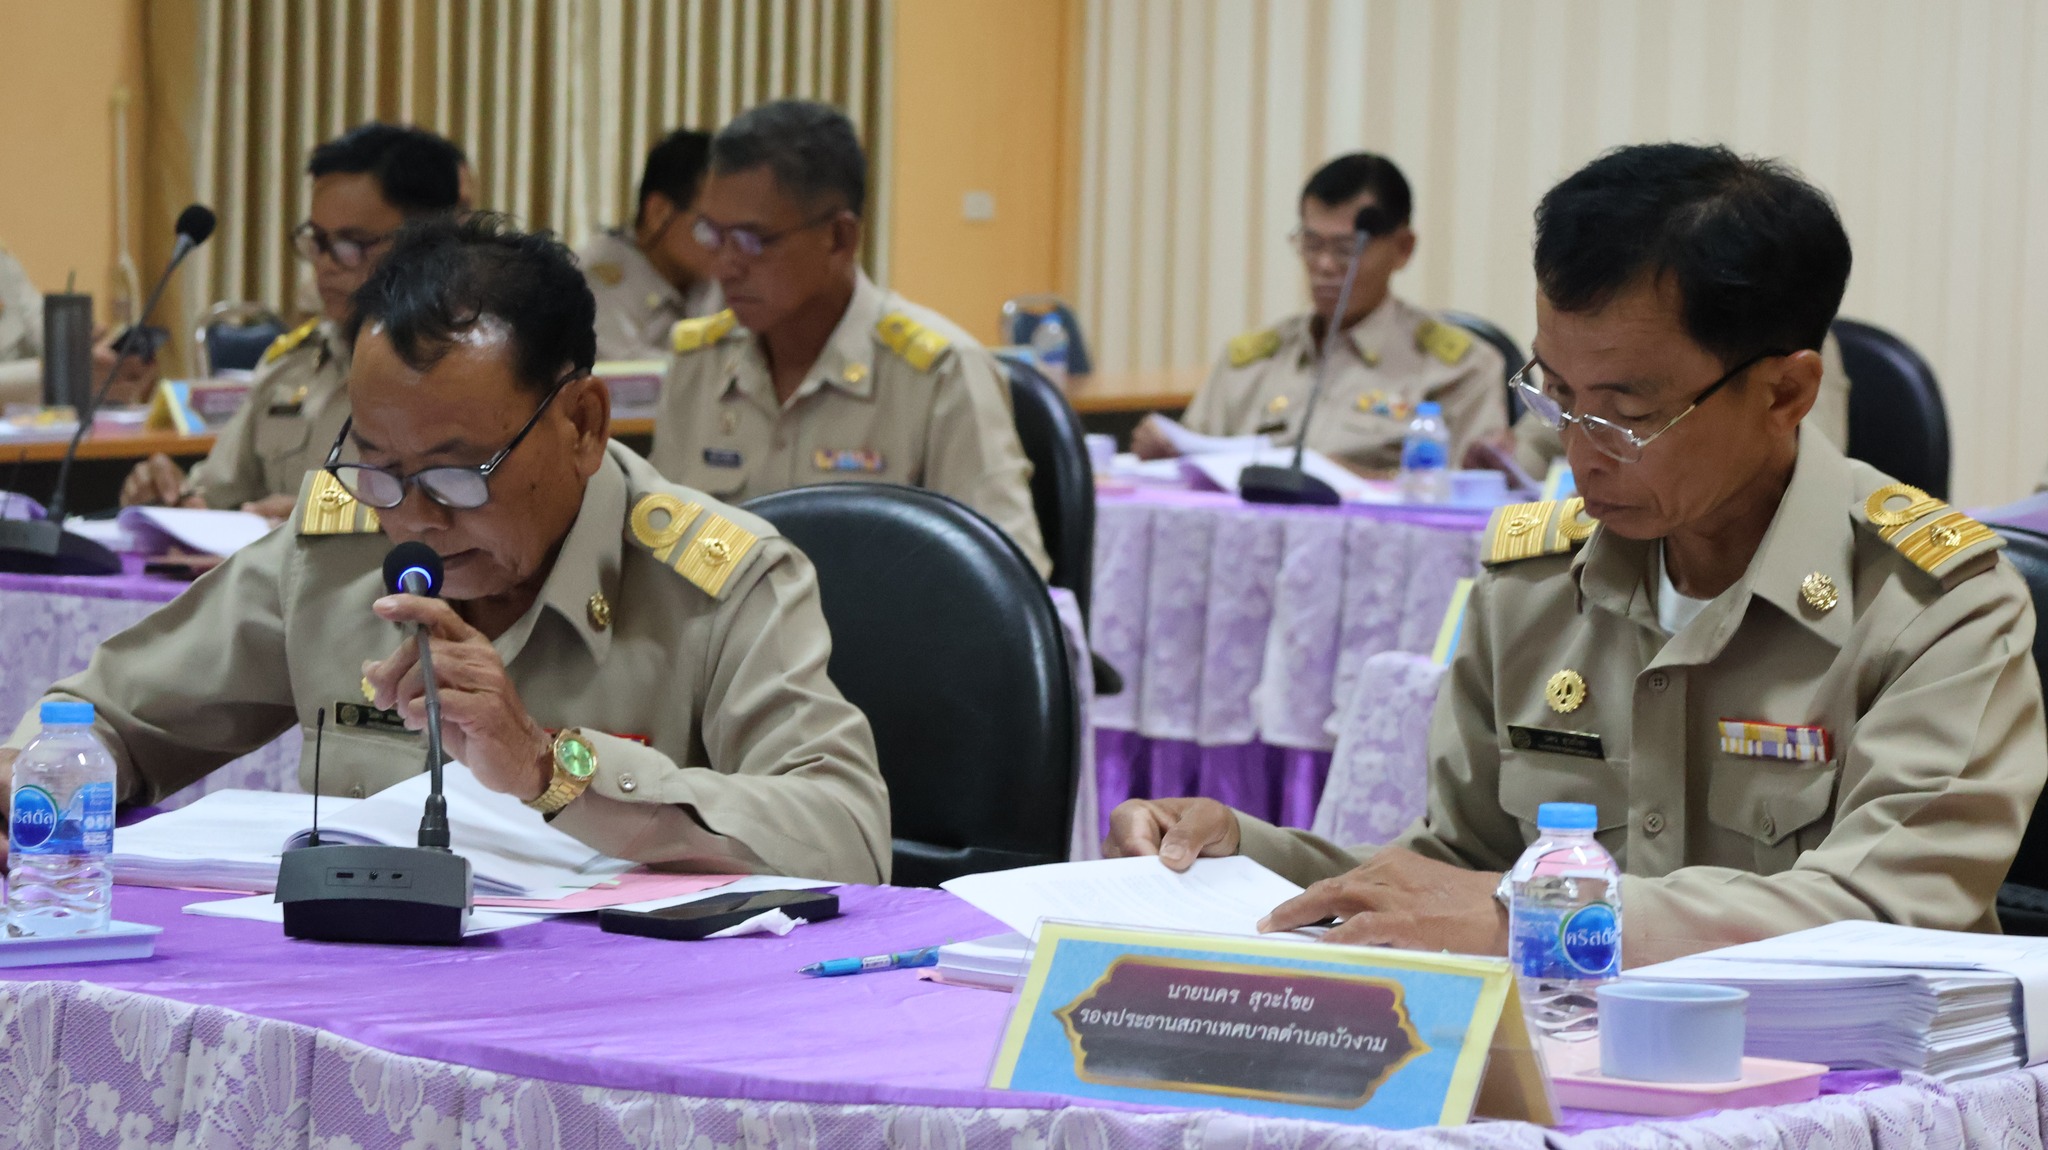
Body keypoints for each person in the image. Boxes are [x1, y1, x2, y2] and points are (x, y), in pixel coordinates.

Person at [1106, 143, 2046, 967]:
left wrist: (1538, 917)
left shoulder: (1935, 607)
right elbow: (1462, 869)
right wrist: (1247, 856)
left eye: (1628, 414)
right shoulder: (1535, 589)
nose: (1579, 452)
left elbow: (1880, 912)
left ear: (1785, 394)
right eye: (1556, 396)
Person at [4, 215, 890, 884]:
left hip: (609, 1015)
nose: (416, 517)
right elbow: (104, 717)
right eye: (379, 468)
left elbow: (849, 835)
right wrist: (30, 782)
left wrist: (552, 767)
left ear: (583, 425)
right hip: (353, 999)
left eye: (459, 475)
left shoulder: (720, 579)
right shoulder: (337, 550)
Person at [650, 100, 1050, 578]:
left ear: (839, 238)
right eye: (712, 234)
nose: (725, 265)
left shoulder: (940, 375)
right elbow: (660, 559)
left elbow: (1005, 579)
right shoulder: (699, 362)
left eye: (753, 240)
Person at [121, 123, 465, 520]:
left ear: (427, 243)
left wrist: (321, 517)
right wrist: (168, 495)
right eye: (316, 240)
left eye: (350, 244)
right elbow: (214, 494)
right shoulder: (293, 365)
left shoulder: (462, 371)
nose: (325, 265)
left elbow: (467, 510)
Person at [1132, 153, 1505, 475]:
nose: (1324, 265)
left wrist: (1358, 479)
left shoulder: (1459, 369)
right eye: (1311, 244)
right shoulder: (1249, 363)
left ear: (1402, 248)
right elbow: (1188, 471)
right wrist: (1164, 451)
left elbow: (1474, 498)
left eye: (1346, 248)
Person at [1483, 330, 1854, 480]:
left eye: (1634, 412)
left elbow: (1805, 462)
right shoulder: (1606, 322)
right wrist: (1509, 465)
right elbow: (1540, 440)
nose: (1581, 462)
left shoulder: (1780, 341)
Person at [579, 128, 723, 360]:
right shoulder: (593, 282)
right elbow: (629, 375)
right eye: (711, 226)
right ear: (658, 212)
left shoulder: (714, 280)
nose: (726, 243)